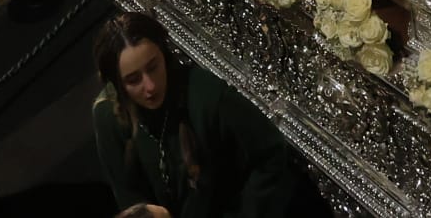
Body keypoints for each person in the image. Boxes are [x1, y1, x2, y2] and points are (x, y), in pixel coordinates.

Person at [91, 12, 303, 218]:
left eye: (153, 67)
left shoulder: (208, 97)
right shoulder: (108, 116)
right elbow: (129, 196)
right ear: (118, 84)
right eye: (133, 80)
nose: (150, 86)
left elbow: (271, 154)